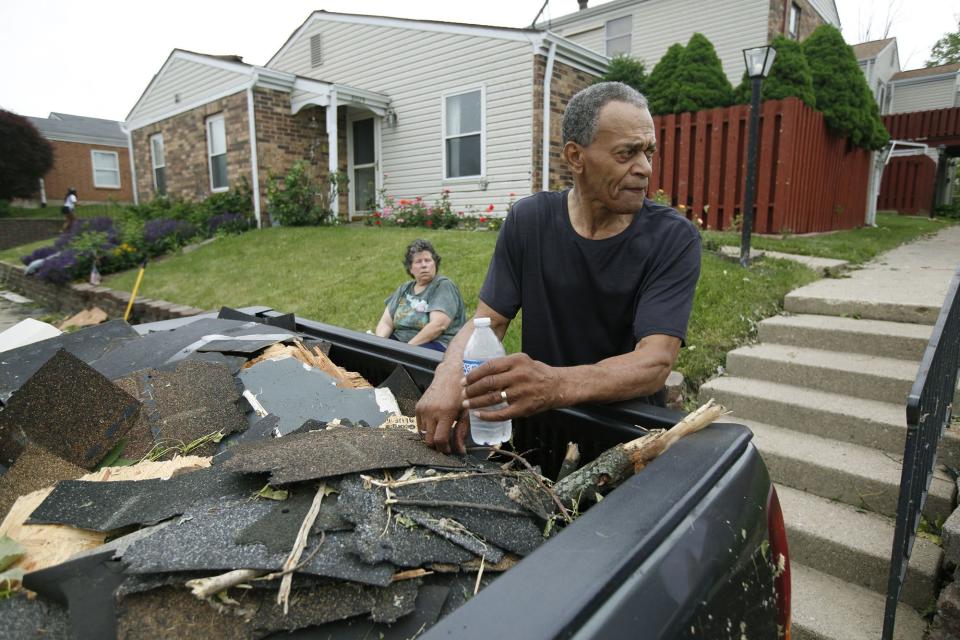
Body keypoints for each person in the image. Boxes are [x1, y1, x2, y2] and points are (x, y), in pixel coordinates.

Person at [416, 82, 702, 453]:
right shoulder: (529, 220)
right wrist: (449, 374)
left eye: (649, 152)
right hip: (542, 427)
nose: (645, 168)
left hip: (626, 437)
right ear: (576, 156)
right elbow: (488, 321)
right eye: (627, 153)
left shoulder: (673, 238)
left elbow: (654, 362)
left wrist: (552, 385)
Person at [375, 239, 467, 352]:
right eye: (418, 261)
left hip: (435, 344)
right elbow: (386, 323)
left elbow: (438, 325)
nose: (424, 265)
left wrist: (406, 349)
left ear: (435, 264)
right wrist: (379, 344)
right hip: (401, 342)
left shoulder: (443, 285)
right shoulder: (404, 288)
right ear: (410, 268)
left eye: (428, 260)